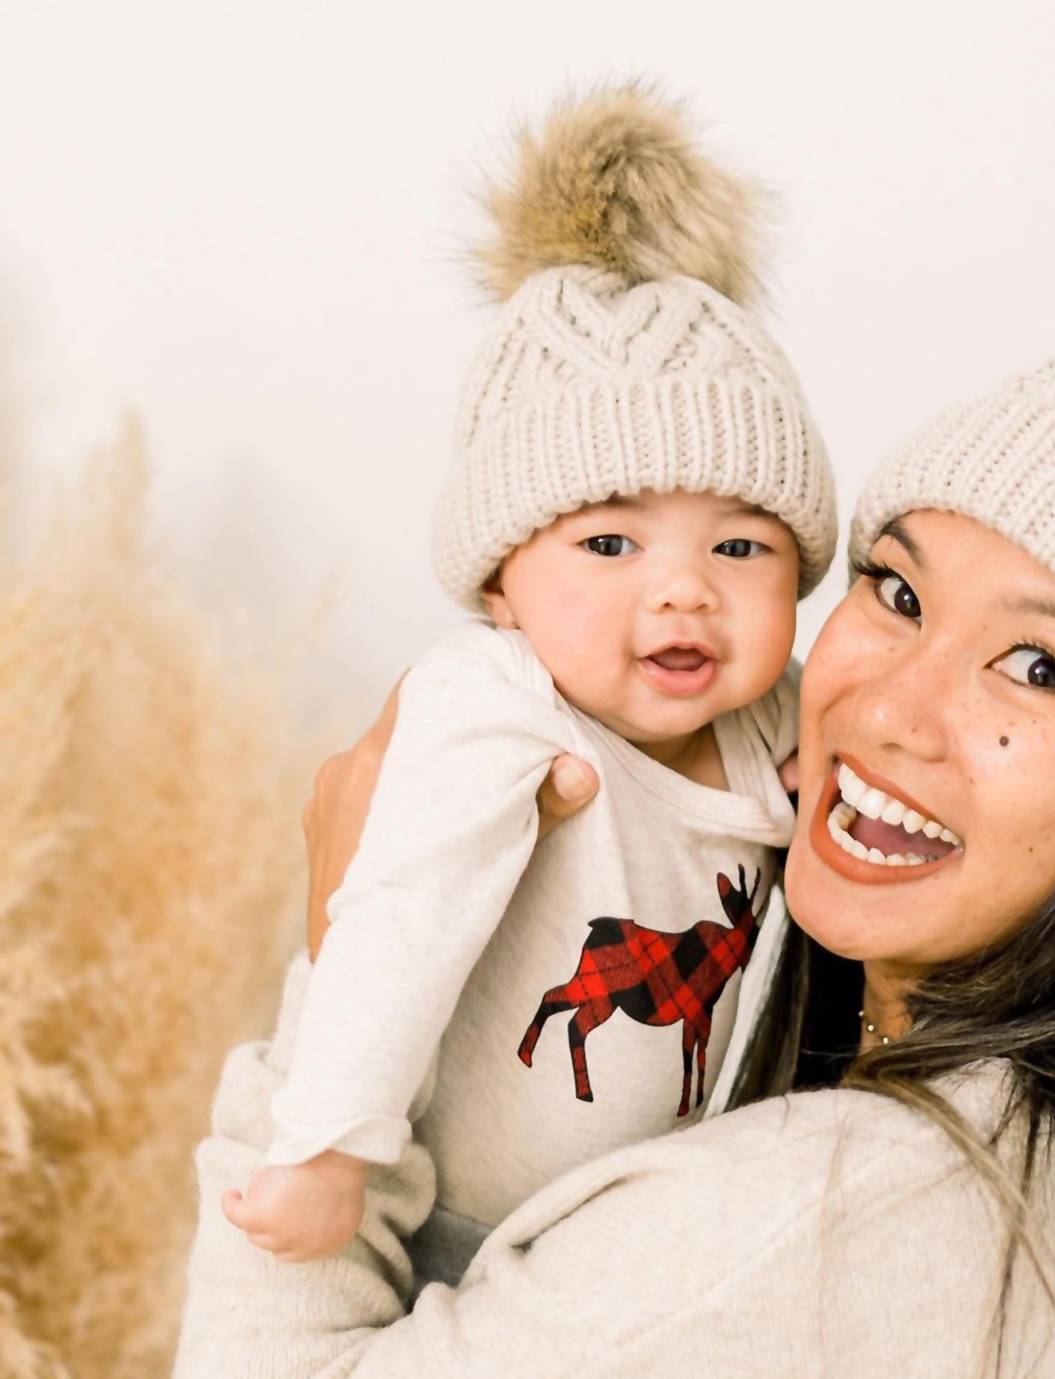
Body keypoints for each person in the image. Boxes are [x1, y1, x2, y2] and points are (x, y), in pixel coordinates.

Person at [147, 233, 1055, 1379]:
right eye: (896, 592)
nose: (886, 708)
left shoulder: (824, 1227)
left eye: (1036, 667)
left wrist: (348, 966)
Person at [221, 83, 837, 1266]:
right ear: (500, 585)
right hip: (462, 1224)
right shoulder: (493, 700)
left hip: (662, 1233)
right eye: (609, 544)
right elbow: (398, 910)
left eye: (740, 548)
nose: (683, 590)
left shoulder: (774, 712)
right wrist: (327, 1148)